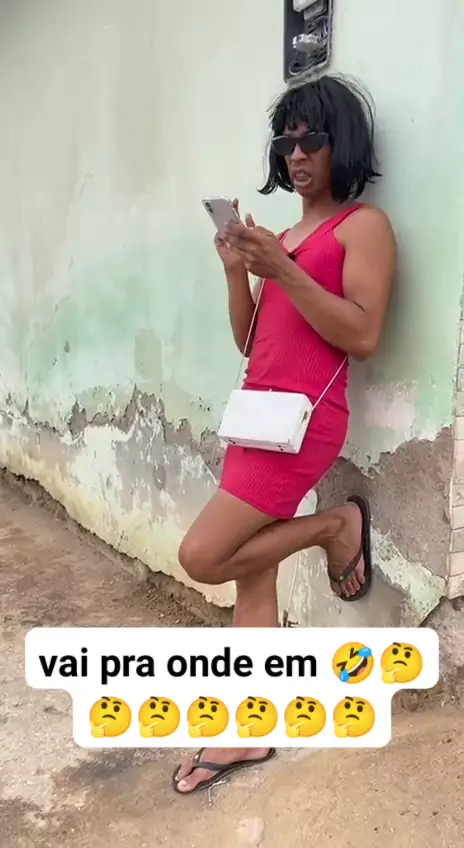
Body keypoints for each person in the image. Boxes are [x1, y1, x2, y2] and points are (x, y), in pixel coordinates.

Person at [172, 74, 397, 794]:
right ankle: (249, 729)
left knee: (203, 556)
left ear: (342, 145)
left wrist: (284, 269)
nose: (297, 154)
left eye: (313, 140)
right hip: (257, 421)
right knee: (251, 577)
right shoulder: (285, 237)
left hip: (304, 425)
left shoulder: (361, 228)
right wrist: (238, 272)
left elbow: (362, 334)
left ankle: (335, 526)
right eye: (287, 142)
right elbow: (252, 341)